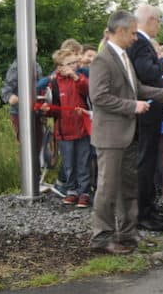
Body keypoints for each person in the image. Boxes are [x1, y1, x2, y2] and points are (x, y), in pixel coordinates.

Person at [89, 10, 163, 255]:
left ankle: (128, 233)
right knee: (107, 188)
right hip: (111, 137)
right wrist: (132, 106)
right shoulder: (102, 60)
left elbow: (138, 88)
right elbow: (99, 97)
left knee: (128, 186)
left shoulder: (124, 57)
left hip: (127, 134)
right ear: (122, 31)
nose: (136, 37)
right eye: (134, 32)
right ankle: (102, 238)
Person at [126, 4, 163, 232]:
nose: (160, 26)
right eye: (160, 21)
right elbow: (147, 72)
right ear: (152, 20)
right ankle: (143, 213)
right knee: (146, 162)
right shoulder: (143, 44)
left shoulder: (138, 42)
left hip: (146, 110)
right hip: (148, 110)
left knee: (149, 161)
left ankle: (148, 207)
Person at [44, 49, 91, 208]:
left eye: (74, 63)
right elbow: (53, 108)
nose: (74, 66)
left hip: (82, 129)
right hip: (64, 131)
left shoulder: (80, 78)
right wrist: (47, 109)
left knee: (83, 162)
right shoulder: (54, 83)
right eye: (69, 64)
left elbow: (88, 90)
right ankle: (71, 191)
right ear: (59, 67)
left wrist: (76, 76)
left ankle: (84, 192)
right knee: (69, 164)